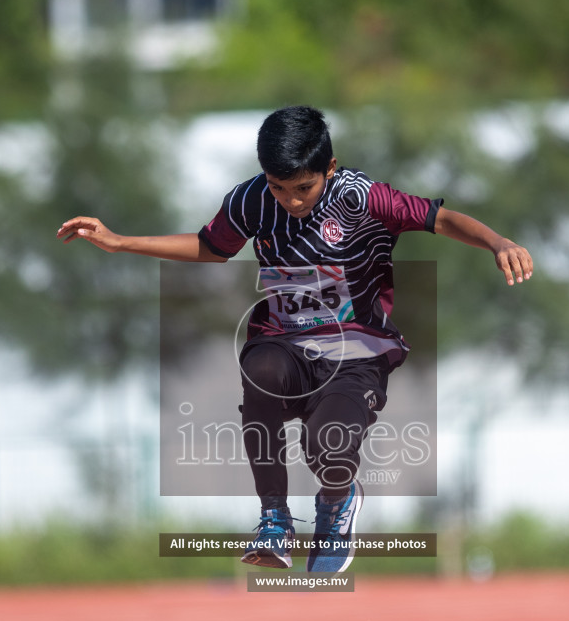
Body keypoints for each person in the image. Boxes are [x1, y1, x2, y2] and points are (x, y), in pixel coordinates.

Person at [58, 105, 533, 574]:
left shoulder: (362, 197)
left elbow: (441, 219)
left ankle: (335, 502)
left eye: (304, 188)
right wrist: (121, 242)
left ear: (328, 168)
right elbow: (212, 246)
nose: (292, 200)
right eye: (279, 187)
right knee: (259, 370)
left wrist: (499, 242)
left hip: (356, 351)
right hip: (284, 341)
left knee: (328, 445)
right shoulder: (251, 201)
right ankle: (274, 519)